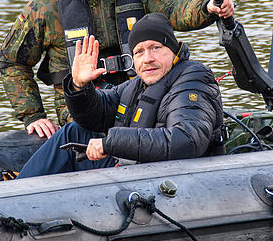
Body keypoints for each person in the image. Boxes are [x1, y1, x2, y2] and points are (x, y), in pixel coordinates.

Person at [0, 0, 234, 138]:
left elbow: (178, 7)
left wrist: (208, 5)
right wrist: (33, 114)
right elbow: (11, 60)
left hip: (139, 103)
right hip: (81, 113)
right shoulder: (47, 6)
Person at [15, 13, 224, 179]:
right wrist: (79, 86)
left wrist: (109, 143)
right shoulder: (136, 86)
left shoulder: (193, 80)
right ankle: (15, 194)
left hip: (172, 181)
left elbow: (186, 141)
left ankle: (15, 197)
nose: (148, 58)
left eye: (156, 48)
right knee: (74, 132)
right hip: (135, 168)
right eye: (139, 52)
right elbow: (95, 115)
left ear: (174, 50)